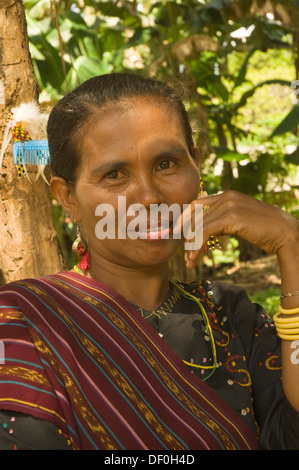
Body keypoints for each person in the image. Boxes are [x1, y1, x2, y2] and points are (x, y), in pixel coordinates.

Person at [0, 73, 299, 451]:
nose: (148, 196)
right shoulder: (23, 322)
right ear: (68, 197)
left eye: (166, 164)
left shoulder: (234, 317)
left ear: (196, 165)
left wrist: (293, 247)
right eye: (114, 174)